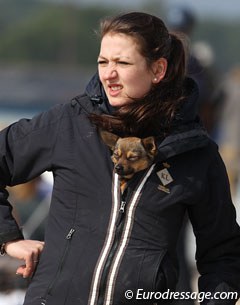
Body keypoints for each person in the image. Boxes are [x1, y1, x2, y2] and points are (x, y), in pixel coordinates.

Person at [0, 12, 239, 305]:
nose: (108, 74)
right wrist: (8, 238)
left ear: (158, 70)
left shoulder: (196, 152)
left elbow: (223, 255)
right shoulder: (71, 123)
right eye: (103, 62)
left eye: (122, 63)